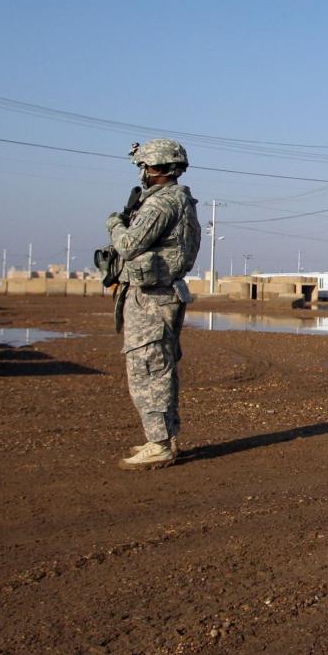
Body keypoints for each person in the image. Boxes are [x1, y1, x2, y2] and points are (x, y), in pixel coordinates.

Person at [107, 138, 201, 471]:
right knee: (159, 367)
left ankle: (159, 443)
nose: (144, 173)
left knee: (148, 369)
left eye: (148, 166)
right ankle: (162, 436)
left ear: (161, 168)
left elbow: (130, 245)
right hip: (160, 295)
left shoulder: (162, 204)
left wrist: (115, 225)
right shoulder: (178, 199)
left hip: (153, 298)